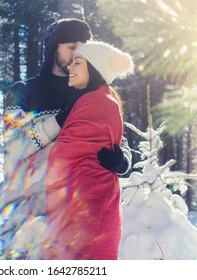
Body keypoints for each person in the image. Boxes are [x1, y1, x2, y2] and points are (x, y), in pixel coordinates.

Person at [3, 18, 132, 177]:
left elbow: (116, 136)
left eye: (83, 48)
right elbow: (14, 146)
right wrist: (60, 120)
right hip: (35, 196)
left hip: (83, 194)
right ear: (52, 50)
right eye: (71, 47)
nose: (77, 54)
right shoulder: (23, 91)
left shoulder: (92, 91)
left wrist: (123, 161)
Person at [42, 41, 134, 260]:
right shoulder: (98, 98)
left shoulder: (97, 101)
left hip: (85, 212)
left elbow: (66, 153)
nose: (70, 68)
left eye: (77, 62)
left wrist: (123, 162)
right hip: (86, 210)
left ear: (94, 67)